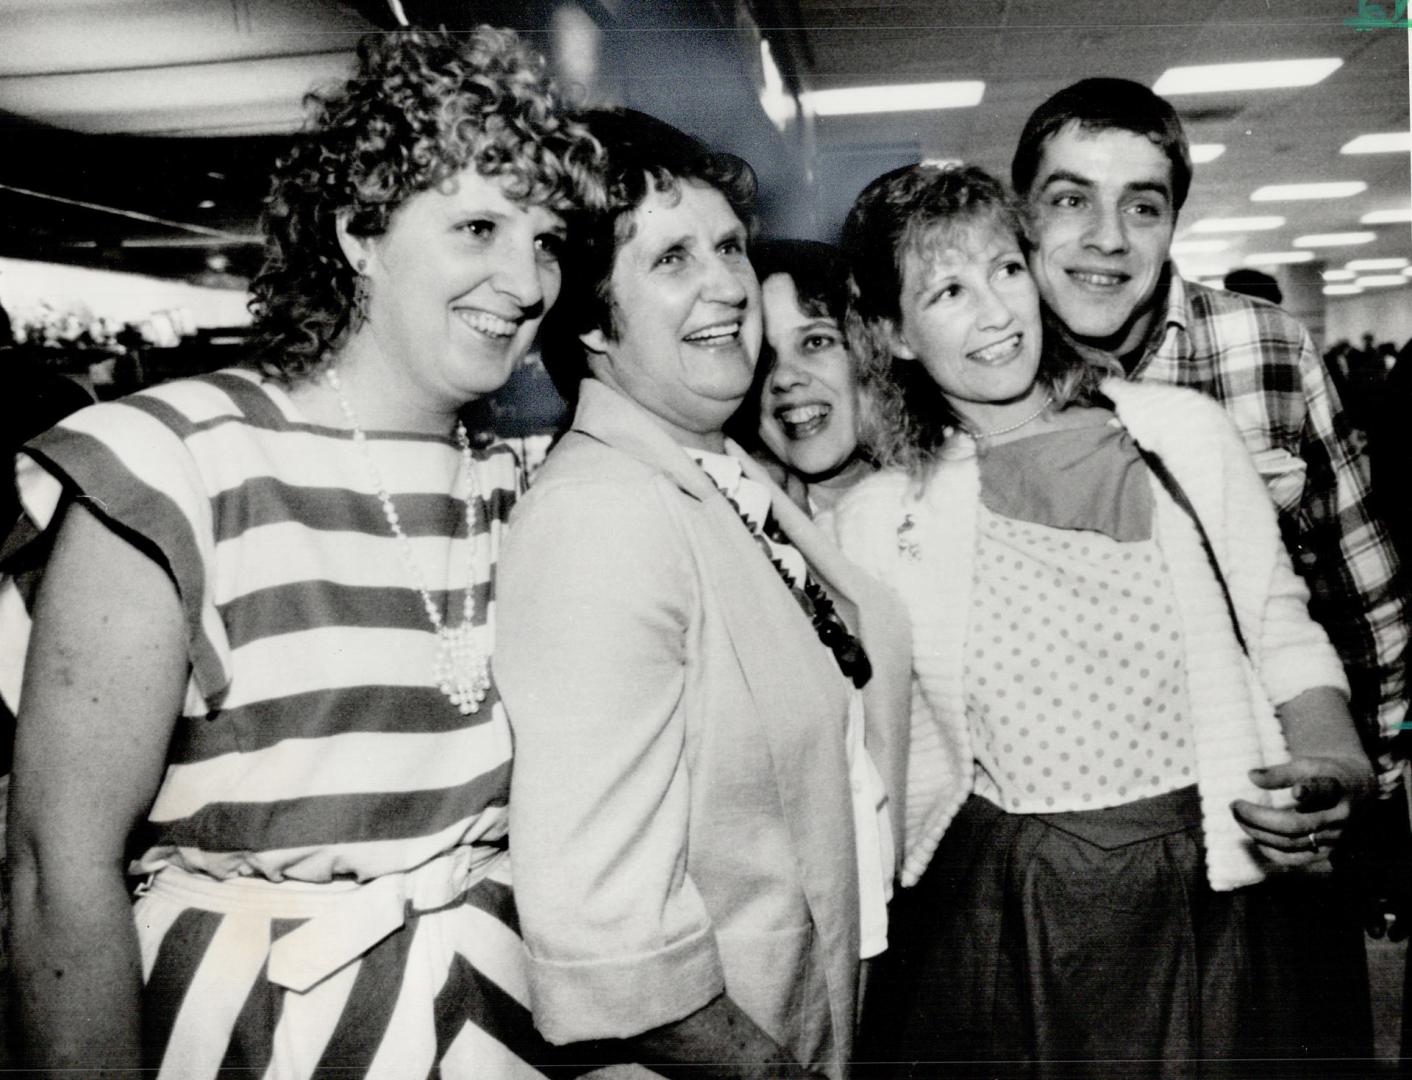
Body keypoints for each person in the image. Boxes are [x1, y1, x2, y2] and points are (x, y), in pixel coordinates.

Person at [4, 27, 602, 1077]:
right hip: (250, 1026)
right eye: (477, 227)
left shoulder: (530, 481)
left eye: (546, 239)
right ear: (358, 234)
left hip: (506, 1016)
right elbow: (60, 870)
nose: (524, 279)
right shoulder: (173, 462)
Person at [833, 162, 1375, 1077]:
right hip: (1011, 906)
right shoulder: (885, 517)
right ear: (896, 335)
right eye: (948, 291)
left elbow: (1281, 629)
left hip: (1213, 879)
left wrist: (1337, 767)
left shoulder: (1182, 435)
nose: (997, 313)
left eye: (1007, 270)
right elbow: (876, 755)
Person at [494, 110, 871, 1079]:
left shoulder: (716, 475)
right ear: (586, 316)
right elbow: (606, 937)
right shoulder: (599, 517)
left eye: (728, 247)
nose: (726, 286)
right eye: (670, 260)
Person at [1009, 79, 1408, 787]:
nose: (1108, 237)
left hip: (1271, 781)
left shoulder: (1270, 349)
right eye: (1071, 200)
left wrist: (1364, 789)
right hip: (1084, 806)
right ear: (1023, 216)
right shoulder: (990, 370)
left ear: (1171, 224)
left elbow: (1367, 601)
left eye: (1143, 206)